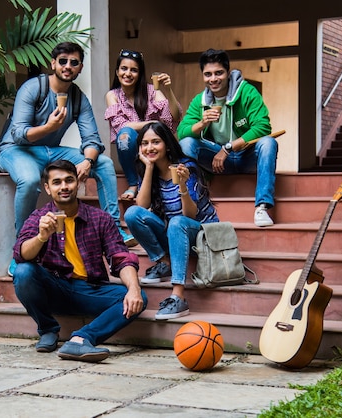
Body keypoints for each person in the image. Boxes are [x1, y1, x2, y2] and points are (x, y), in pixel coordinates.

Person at [0, 42, 136, 277]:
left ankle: (114, 226)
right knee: (30, 179)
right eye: (63, 61)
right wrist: (49, 126)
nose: (68, 66)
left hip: (51, 150)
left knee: (103, 163)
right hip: (16, 150)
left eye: (74, 62)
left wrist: (87, 162)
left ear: (80, 67)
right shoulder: (33, 88)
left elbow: (92, 139)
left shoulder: (78, 98)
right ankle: (21, 247)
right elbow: (18, 133)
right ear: (53, 64)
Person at [12, 160, 147, 362]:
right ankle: (48, 329)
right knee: (23, 272)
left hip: (91, 290)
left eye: (69, 180)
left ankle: (81, 339)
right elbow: (21, 255)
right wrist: (41, 237)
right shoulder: (40, 217)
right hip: (55, 290)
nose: (64, 187)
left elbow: (120, 258)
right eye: (57, 182)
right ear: (48, 189)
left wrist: (134, 289)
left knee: (139, 297)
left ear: (78, 183)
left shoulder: (100, 219)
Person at [123, 122, 218, 320]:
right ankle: (164, 262)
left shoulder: (186, 167)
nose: (149, 148)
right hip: (175, 233)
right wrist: (149, 168)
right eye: (145, 143)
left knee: (177, 222)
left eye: (156, 142)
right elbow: (141, 207)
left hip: (200, 234)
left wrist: (182, 185)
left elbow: (190, 215)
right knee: (132, 213)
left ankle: (178, 296)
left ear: (167, 144)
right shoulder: (148, 170)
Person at [177, 48, 278, 227]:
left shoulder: (247, 92)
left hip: (245, 155)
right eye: (208, 74)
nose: (213, 79)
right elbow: (182, 132)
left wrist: (228, 148)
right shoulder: (201, 101)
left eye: (218, 73)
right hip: (216, 161)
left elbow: (263, 127)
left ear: (228, 72)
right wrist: (201, 124)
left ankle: (262, 207)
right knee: (186, 143)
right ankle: (192, 201)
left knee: (268, 143)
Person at [104, 49, 182, 201]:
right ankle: (134, 183)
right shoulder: (112, 95)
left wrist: (168, 89)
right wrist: (151, 123)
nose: (128, 73)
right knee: (125, 136)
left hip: (155, 146)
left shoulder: (152, 91)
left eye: (134, 70)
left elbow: (173, 117)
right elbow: (121, 126)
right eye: (124, 68)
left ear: (140, 74)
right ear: (117, 71)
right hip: (131, 148)